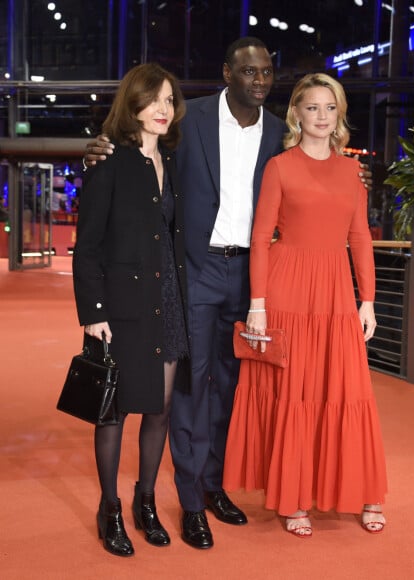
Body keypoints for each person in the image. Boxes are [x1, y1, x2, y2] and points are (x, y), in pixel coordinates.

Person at [84, 37, 372, 550]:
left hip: (257, 279)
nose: (258, 80)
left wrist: (354, 174)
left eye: (266, 73)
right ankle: (191, 499)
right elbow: (137, 150)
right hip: (195, 272)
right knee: (191, 389)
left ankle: (214, 484)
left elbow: (319, 174)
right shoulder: (186, 118)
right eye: (247, 72)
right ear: (227, 72)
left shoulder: (280, 136)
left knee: (234, 387)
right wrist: (96, 148)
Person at [222, 73, 388, 538]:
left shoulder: (352, 171)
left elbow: (360, 238)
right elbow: (260, 237)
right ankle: (294, 496)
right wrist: (258, 304)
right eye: (312, 107)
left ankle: (363, 492)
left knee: (346, 390)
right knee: (292, 394)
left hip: (336, 292)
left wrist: (368, 301)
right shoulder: (280, 166)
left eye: (329, 108)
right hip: (287, 287)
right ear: (296, 113)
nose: (321, 116)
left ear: (339, 116)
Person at [73, 63, 188, 556]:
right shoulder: (110, 162)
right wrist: (94, 311)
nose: (163, 109)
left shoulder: (172, 163)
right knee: (114, 411)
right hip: (120, 306)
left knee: (159, 409)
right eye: (153, 99)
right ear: (133, 104)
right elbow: (87, 247)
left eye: (169, 100)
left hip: (168, 301)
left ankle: (146, 501)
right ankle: (110, 507)